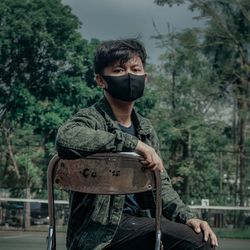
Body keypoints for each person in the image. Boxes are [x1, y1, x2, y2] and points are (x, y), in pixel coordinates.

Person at [55, 38, 218, 250]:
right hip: (101, 231)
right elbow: (66, 137)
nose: (129, 76)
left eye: (135, 69)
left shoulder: (146, 129)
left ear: (145, 77)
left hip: (142, 222)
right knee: (197, 244)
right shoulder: (92, 119)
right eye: (119, 70)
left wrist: (188, 217)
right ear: (101, 80)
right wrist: (134, 145)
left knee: (200, 235)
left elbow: (162, 184)